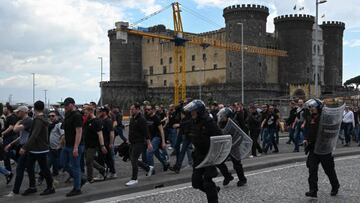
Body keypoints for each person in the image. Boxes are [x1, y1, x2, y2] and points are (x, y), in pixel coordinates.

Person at [184, 100, 222, 203]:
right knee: (195, 182)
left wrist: (216, 155)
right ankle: (214, 191)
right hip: (198, 156)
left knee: (207, 182)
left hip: (209, 155)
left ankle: (213, 199)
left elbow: (220, 137)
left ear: (199, 111)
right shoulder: (193, 121)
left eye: (193, 111)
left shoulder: (208, 121)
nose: (191, 113)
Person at [303, 99, 340, 198]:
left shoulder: (326, 117)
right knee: (312, 170)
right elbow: (309, 130)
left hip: (324, 148)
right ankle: (313, 190)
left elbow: (332, 129)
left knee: (329, 170)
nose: (311, 109)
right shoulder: (310, 117)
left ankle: (335, 186)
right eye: (310, 107)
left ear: (318, 107)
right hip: (313, 148)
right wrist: (306, 139)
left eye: (313, 107)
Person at [21, 101, 55, 196]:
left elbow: (34, 135)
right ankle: (33, 186)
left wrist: (24, 147)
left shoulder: (38, 120)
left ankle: (50, 187)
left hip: (38, 148)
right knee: (31, 167)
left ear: (35, 108)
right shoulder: (44, 118)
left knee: (43, 168)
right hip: (39, 148)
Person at [5, 106, 32, 197]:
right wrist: (11, 144)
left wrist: (17, 122)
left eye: (18, 112)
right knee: (29, 169)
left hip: (26, 148)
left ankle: (15, 191)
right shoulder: (25, 121)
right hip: (24, 146)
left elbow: (15, 129)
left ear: (24, 112)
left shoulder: (28, 120)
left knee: (20, 168)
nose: (17, 113)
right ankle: (33, 186)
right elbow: (21, 137)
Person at [216, 107, 247, 187]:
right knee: (219, 162)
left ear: (228, 116)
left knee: (237, 164)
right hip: (225, 147)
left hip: (234, 146)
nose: (221, 117)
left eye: (223, 116)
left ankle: (242, 179)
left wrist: (234, 144)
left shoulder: (234, 124)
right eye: (221, 115)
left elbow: (240, 135)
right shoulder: (220, 124)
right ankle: (228, 176)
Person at [62, 97, 86, 197]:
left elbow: (79, 132)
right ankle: (81, 179)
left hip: (76, 146)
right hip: (67, 145)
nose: (65, 107)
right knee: (63, 163)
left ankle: (77, 188)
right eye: (64, 106)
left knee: (76, 167)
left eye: (67, 105)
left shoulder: (77, 115)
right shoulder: (67, 115)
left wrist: (76, 147)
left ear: (72, 104)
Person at [126, 103, 153, 186]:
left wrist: (149, 144)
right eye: (130, 109)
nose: (131, 111)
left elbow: (146, 132)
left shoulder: (142, 119)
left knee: (133, 159)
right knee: (132, 159)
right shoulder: (132, 118)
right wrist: (128, 139)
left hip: (139, 142)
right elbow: (131, 130)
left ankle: (134, 179)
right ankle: (148, 168)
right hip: (132, 142)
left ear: (138, 109)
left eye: (132, 109)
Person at [83, 105, 107, 183]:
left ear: (90, 112)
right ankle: (102, 169)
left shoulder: (96, 121)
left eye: (86, 113)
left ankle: (90, 178)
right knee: (89, 160)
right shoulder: (87, 121)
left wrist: (102, 146)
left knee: (88, 161)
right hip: (86, 144)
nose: (85, 114)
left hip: (93, 145)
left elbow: (100, 134)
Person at [144, 104, 169, 173]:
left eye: (149, 109)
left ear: (153, 110)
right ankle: (165, 163)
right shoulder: (146, 117)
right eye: (146, 109)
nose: (147, 111)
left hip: (157, 137)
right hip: (150, 138)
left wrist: (163, 142)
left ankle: (151, 170)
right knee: (156, 153)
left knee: (148, 152)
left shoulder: (156, 118)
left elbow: (161, 130)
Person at [98, 106, 117, 178]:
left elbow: (112, 133)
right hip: (101, 142)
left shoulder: (108, 121)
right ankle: (112, 172)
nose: (100, 112)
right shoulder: (101, 120)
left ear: (105, 112)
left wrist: (111, 143)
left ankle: (106, 173)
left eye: (101, 111)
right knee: (105, 159)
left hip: (106, 142)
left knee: (105, 159)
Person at [1, 104, 18, 173]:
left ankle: (8, 172)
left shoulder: (12, 117)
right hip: (7, 138)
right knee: (8, 154)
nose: (3, 110)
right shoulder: (7, 117)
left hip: (10, 138)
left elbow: (11, 127)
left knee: (6, 154)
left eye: (4, 109)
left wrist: (2, 133)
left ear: (8, 109)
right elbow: (5, 127)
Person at [48, 111, 64, 176]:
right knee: (52, 161)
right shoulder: (50, 125)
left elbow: (63, 135)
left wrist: (59, 145)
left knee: (58, 162)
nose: (51, 117)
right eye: (49, 116)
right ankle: (55, 172)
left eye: (53, 116)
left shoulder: (59, 125)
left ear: (57, 116)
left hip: (58, 147)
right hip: (51, 147)